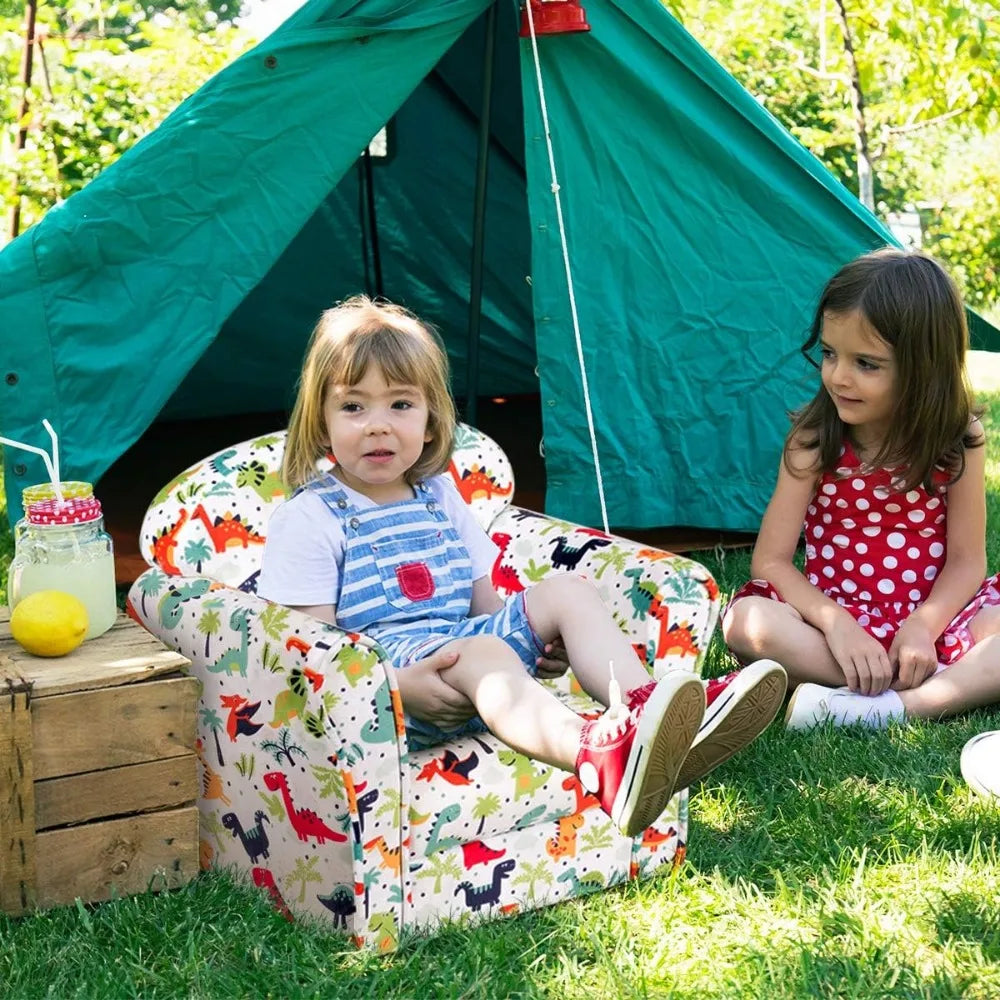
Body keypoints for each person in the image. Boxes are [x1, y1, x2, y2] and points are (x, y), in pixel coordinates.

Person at [257, 295, 785, 837]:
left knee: (565, 591)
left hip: (464, 658)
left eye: (400, 405)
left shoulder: (437, 494)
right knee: (482, 648)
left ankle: (647, 716)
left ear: (432, 420)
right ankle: (597, 757)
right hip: (387, 694)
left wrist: (532, 639)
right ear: (319, 422)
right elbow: (310, 657)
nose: (377, 426)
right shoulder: (311, 517)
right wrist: (396, 686)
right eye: (352, 407)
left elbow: (488, 607)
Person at [723, 248, 1000, 729]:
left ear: (923, 369)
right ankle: (921, 686)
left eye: (866, 364)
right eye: (830, 354)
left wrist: (921, 626)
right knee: (747, 623)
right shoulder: (813, 441)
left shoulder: (959, 443)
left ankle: (892, 708)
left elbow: (967, 562)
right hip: (835, 622)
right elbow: (769, 561)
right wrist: (837, 625)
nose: (838, 376)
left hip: (934, 622)